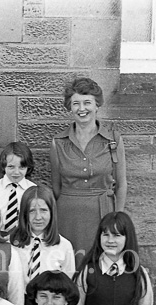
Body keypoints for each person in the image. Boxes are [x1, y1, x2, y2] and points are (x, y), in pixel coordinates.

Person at [51, 77, 127, 260]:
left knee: (101, 263)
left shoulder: (113, 140)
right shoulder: (58, 142)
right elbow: (56, 187)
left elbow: (121, 184)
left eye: (87, 103)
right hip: (68, 216)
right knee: (70, 263)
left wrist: (117, 218)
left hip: (103, 212)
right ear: (70, 107)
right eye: (76, 103)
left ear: (97, 105)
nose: (82, 108)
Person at [10, 185, 75, 305]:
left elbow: (67, 285)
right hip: (17, 304)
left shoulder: (64, 246)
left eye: (43, 210)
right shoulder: (11, 244)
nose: (38, 217)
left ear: (52, 212)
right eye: (32, 211)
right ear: (24, 213)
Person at [0, 142, 37, 235]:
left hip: (25, 238)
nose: (16, 172)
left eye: (21, 167)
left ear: (28, 167)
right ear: (3, 165)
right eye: (11, 167)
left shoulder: (34, 190)